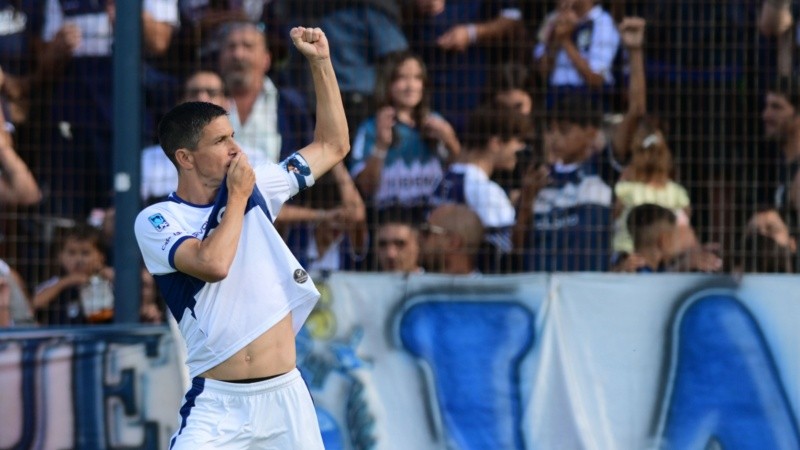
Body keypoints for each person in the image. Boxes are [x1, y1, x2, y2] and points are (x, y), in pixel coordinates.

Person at [134, 27, 348, 448]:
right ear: (186, 158)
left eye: (234, 135)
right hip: (218, 405)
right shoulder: (157, 220)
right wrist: (237, 198)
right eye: (221, 140)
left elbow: (332, 145)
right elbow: (212, 264)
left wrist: (321, 62)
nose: (236, 148)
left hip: (286, 397)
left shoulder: (260, 186)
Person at [513, 17, 644, 272]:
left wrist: (635, 52)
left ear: (590, 133)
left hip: (585, 297)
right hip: (543, 298)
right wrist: (527, 200)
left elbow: (636, 111)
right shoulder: (535, 178)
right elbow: (517, 250)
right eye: (551, 130)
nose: (555, 138)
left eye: (564, 130)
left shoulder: (602, 171)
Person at [349, 51, 460, 219]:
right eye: (402, 78)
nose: (411, 86)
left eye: (417, 78)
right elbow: (366, 188)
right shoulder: (370, 128)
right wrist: (380, 146)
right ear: (387, 84)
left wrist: (451, 141)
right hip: (387, 221)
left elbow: (461, 174)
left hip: (431, 221)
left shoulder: (437, 123)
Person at [140, 69, 270, 205]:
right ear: (181, 102)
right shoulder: (148, 159)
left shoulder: (254, 159)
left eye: (212, 93)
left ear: (227, 103)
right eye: (194, 92)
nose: (202, 98)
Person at [431, 104, 531, 273]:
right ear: (496, 142)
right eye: (518, 141)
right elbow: (505, 252)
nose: (521, 149)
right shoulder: (484, 190)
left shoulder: (444, 178)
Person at [534, 0, 620, 107]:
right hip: (555, 96)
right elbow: (542, 72)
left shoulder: (603, 21)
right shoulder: (551, 19)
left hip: (589, 99)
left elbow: (596, 79)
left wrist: (565, 40)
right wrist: (556, 40)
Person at [32, 224, 113, 325]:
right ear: (60, 256)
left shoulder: (108, 278)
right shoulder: (57, 283)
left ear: (101, 256)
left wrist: (108, 275)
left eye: (85, 253)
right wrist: (67, 282)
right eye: (72, 253)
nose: (78, 260)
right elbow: (34, 304)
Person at [419, 203, 484, 275]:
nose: (420, 238)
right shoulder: (418, 283)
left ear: (453, 242)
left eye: (427, 232)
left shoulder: (488, 286)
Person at [374, 208, 423, 273]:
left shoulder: (436, 282)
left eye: (400, 244)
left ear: (419, 245)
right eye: (382, 244)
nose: (390, 254)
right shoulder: (367, 282)